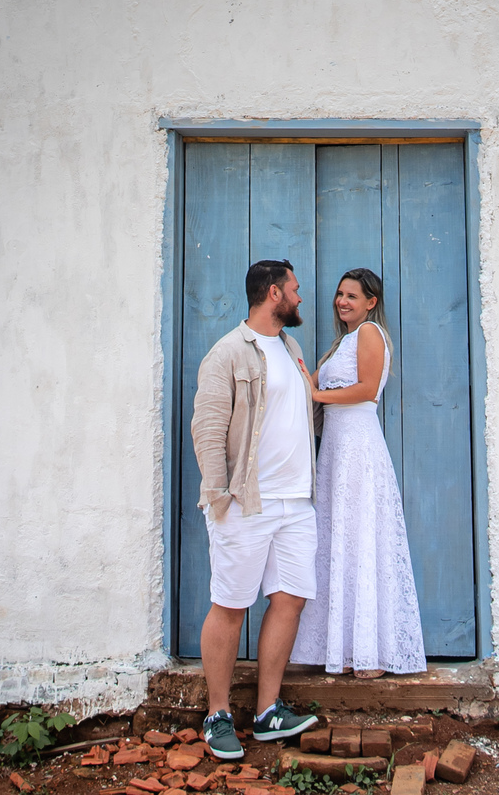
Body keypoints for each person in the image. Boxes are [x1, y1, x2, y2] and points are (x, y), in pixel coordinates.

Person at [191, 259, 322, 762]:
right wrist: (219, 494)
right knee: (231, 604)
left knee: (289, 598)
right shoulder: (227, 353)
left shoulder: (291, 348)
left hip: (295, 502)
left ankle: (268, 711)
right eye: (294, 288)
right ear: (273, 294)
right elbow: (207, 428)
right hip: (247, 502)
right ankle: (218, 714)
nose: (300, 297)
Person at [292, 268, 426, 677]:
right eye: (339, 294)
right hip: (334, 449)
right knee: (341, 541)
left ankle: (373, 651)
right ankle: (346, 649)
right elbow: (305, 388)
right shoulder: (340, 345)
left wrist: (316, 392)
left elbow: (367, 389)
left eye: (352, 295)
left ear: (371, 302)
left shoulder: (370, 334)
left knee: (362, 538)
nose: (342, 301)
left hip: (359, 448)